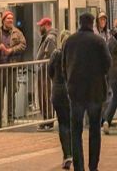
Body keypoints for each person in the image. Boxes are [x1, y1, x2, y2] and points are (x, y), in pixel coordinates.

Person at [62, 11, 111, 171]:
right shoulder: (98, 41)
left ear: (79, 22)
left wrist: (69, 82)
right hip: (95, 91)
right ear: (92, 23)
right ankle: (93, 166)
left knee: (76, 131)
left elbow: (64, 66)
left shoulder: (69, 41)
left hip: (75, 92)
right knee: (94, 130)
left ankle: (79, 167)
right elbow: (108, 64)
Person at [0, 10, 26, 126]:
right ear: (3, 20)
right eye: (8, 19)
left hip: (11, 68)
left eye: (12, 19)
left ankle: (10, 119)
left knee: (11, 94)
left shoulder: (17, 33)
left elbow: (23, 45)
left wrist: (12, 50)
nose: (11, 21)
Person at [48, 30, 72, 170]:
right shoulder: (74, 55)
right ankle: (74, 153)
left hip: (57, 92)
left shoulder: (56, 54)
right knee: (71, 124)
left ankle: (67, 155)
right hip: (71, 92)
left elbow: (50, 71)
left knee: (63, 124)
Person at [35, 16, 58, 129]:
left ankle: (48, 119)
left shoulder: (50, 38)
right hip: (43, 70)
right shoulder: (46, 38)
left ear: (47, 25)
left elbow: (50, 55)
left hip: (46, 71)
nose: (40, 28)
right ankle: (46, 119)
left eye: (41, 26)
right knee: (43, 95)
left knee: (47, 95)